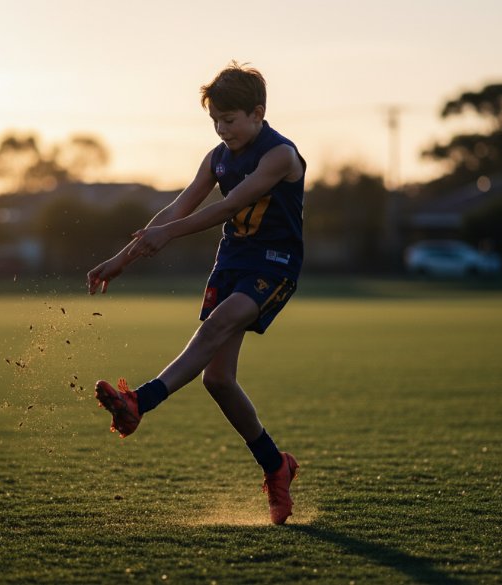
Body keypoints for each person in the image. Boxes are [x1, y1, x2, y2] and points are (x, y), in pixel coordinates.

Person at [86, 61, 305, 525]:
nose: (222, 129)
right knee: (217, 380)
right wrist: (121, 259)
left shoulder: (279, 156)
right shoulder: (216, 157)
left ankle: (138, 402)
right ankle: (276, 466)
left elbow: (228, 206)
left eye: (230, 120)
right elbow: (178, 206)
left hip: (274, 265)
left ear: (258, 113)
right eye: (215, 121)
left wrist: (171, 235)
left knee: (224, 321)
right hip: (232, 262)